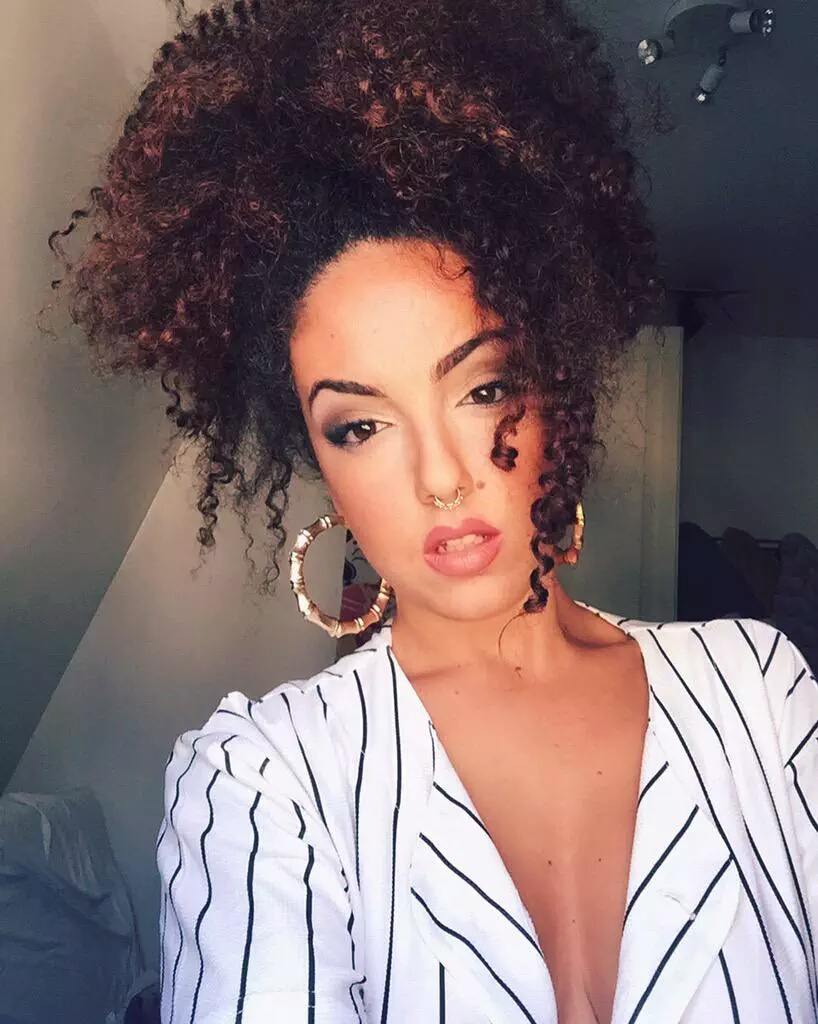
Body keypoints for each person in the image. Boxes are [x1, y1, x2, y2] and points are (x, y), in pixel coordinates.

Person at [49, 0, 817, 1020]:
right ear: (318, 462)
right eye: (361, 426)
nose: (441, 478)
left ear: (552, 389)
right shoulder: (267, 779)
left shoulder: (757, 693)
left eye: (482, 387)